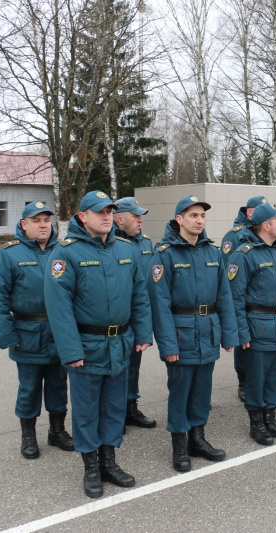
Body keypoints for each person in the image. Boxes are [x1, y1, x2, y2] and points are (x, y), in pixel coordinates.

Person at [44, 190, 153, 499]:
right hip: (87, 346)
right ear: (83, 216)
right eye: (99, 211)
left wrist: (143, 334)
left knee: (115, 407)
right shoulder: (66, 253)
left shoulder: (125, 249)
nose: (106, 216)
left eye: (109, 211)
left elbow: (139, 295)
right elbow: (59, 308)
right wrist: (71, 351)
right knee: (87, 411)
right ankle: (91, 467)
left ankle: (109, 462)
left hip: (120, 343)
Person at [148, 195, 240, 472]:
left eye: (202, 216)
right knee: (180, 392)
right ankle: (179, 444)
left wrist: (229, 335)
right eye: (193, 216)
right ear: (179, 219)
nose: (199, 221)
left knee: (202, 390)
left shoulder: (213, 253)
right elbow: (160, 304)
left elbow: (225, 296)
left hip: (208, 330)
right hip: (181, 334)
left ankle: (197, 439)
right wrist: (167, 346)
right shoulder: (164, 254)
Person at [0, 201, 74, 460]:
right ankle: (28, 437)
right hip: (27, 333)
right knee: (29, 388)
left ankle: (57, 431)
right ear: (24, 225)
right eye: (36, 220)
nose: (43, 225)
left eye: (46, 220)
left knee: (58, 385)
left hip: (59, 332)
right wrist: (7, 335)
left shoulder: (64, 251)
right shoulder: (9, 254)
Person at [227, 202, 276, 445]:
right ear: (266, 226)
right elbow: (235, 298)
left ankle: (271, 418)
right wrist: (242, 333)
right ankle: (256, 423)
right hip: (257, 326)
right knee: (257, 378)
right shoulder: (243, 255)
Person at [113, 197, 156, 430]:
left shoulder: (145, 243)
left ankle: (131, 408)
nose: (140, 220)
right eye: (135, 216)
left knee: (133, 366)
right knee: (116, 368)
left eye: (141, 216)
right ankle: (115, 413)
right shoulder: (109, 243)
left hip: (137, 316)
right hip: (116, 318)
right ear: (120, 219)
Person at [220, 195, 268, 402]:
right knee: (244, 344)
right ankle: (243, 382)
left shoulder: (265, 233)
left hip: (261, 300)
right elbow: (227, 270)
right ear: (250, 212)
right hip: (244, 300)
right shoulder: (233, 236)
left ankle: (258, 381)